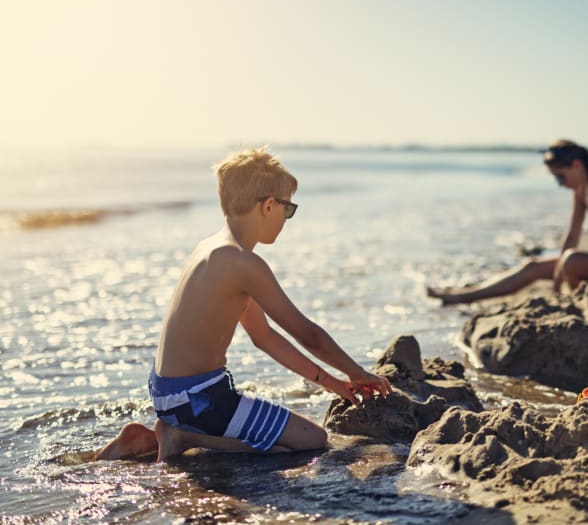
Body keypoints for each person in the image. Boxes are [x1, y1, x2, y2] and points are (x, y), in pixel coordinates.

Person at [96, 146, 391, 461]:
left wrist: (334, 383)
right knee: (312, 440)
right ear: (268, 206)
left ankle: (158, 435)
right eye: (287, 210)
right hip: (201, 399)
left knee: (283, 439)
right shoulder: (242, 262)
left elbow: (264, 337)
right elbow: (308, 335)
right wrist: (358, 373)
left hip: (168, 393)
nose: (286, 219)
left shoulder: (210, 249)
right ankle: (179, 435)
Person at [427, 139, 588, 305]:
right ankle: (461, 296)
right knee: (532, 266)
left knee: (570, 261)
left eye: (561, 177)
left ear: (577, 165)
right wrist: (559, 273)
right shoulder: (582, 190)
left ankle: (584, 301)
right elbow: (572, 235)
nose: (560, 184)